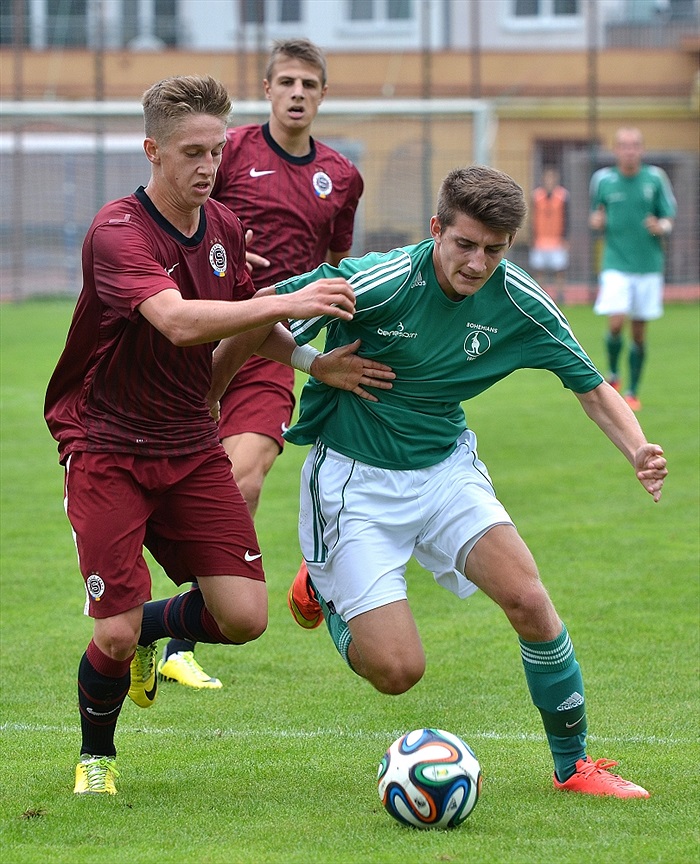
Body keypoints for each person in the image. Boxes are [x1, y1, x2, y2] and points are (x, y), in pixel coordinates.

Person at [239, 165, 666, 799]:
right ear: (437, 229)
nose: (476, 263)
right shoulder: (376, 283)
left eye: (494, 250)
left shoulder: (519, 302)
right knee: (397, 671)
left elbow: (591, 387)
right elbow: (254, 319)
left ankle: (574, 766)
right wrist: (313, 363)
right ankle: (326, 589)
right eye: (465, 244)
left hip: (445, 471)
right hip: (356, 482)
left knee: (529, 599)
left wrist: (638, 450)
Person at [43, 74, 393, 796]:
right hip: (107, 444)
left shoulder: (226, 229)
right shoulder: (118, 231)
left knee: (244, 617)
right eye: (192, 154)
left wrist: (309, 359)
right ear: (153, 152)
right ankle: (96, 758)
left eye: (215, 152)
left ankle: (145, 629)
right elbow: (176, 321)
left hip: (187, 442)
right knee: (109, 635)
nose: (208, 167)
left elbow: (246, 322)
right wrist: (290, 296)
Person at [158, 38, 365, 690]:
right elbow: (180, 216)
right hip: (203, 333)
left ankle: (176, 640)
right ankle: (142, 609)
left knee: (243, 479)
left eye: (309, 82)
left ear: (322, 94)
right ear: (268, 90)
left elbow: (335, 265)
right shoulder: (229, 152)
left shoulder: (342, 176)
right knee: (161, 481)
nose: (297, 92)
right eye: (286, 82)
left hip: (275, 346)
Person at [589, 126, 677, 412]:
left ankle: (633, 390)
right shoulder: (603, 180)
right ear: (616, 150)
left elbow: (668, 217)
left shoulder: (654, 179)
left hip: (648, 265)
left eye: (635, 145)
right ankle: (613, 375)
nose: (630, 150)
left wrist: (660, 227)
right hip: (615, 262)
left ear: (641, 149)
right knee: (616, 322)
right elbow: (596, 215)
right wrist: (597, 222)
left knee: (639, 332)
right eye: (624, 145)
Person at [529, 166, 569, 304]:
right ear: (543, 180)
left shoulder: (563, 196)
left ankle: (560, 295)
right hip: (540, 239)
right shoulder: (536, 196)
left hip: (557, 239)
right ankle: (540, 295)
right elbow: (531, 218)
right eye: (547, 178)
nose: (550, 181)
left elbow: (567, 217)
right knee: (539, 270)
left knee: (560, 269)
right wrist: (532, 237)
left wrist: (566, 238)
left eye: (552, 178)